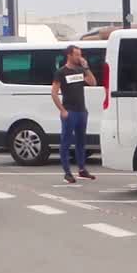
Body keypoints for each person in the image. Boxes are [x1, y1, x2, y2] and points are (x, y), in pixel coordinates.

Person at [51, 45, 98, 184]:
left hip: (81, 111)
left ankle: (82, 169)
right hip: (69, 111)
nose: (79, 57)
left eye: (80, 55)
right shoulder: (61, 72)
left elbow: (93, 83)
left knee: (81, 141)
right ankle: (67, 173)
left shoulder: (80, 70)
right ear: (69, 55)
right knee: (66, 141)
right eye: (77, 55)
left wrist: (86, 68)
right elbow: (54, 93)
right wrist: (62, 110)